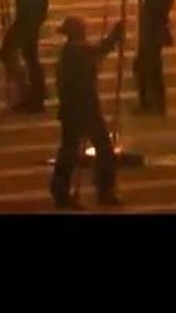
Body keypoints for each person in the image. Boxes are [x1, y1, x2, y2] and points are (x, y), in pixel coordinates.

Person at [49, 17, 123, 209]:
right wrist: (115, 35)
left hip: (71, 109)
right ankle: (104, 190)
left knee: (69, 151)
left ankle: (62, 192)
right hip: (85, 107)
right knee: (102, 149)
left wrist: (113, 37)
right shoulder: (79, 51)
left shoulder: (69, 51)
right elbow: (100, 50)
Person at [123, 0, 175, 116]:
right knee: (148, 68)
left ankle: (150, 104)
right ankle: (151, 104)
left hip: (152, 33)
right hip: (152, 32)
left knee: (148, 68)